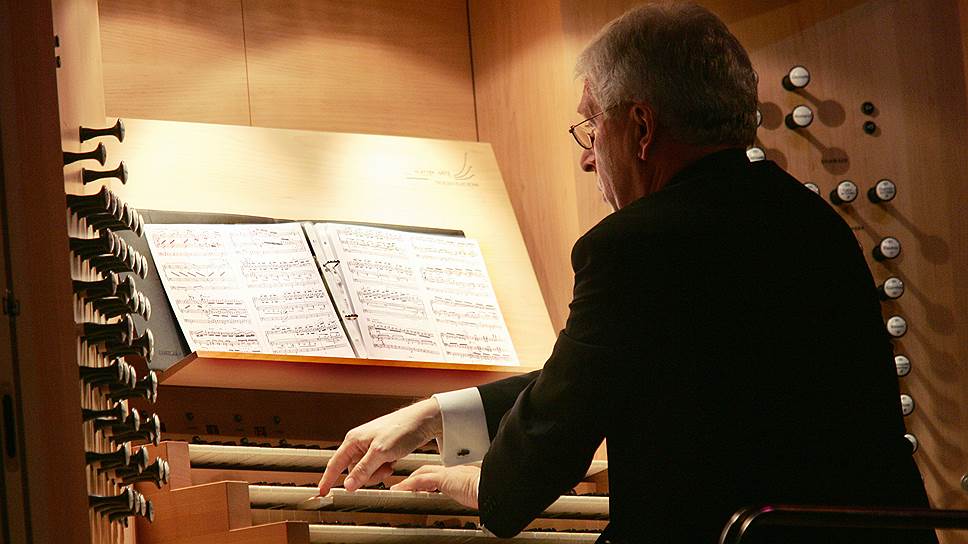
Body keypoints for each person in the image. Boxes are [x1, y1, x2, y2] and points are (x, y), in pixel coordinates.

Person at [318, 3, 936, 543]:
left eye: (592, 126)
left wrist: (487, 483)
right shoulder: (810, 222)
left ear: (641, 127)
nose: (587, 158)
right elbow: (611, 368)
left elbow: (548, 446)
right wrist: (437, 413)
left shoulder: (638, 244)